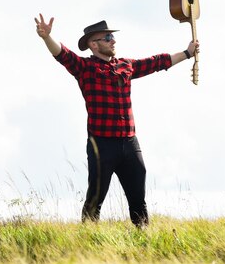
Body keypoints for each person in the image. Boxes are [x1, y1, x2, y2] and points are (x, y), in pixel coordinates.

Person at [34, 13, 199, 227]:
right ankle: (86, 241)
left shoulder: (126, 66)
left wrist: (187, 53)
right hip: (101, 145)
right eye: (108, 38)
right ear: (93, 44)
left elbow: (157, 62)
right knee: (95, 198)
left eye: (112, 37)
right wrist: (47, 37)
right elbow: (63, 55)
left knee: (138, 200)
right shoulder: (85, 69)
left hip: (130, 143)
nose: (113, 41)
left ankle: (143, 240)